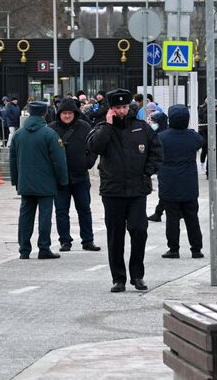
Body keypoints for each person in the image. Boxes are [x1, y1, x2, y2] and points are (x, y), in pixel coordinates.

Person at [88, 88, 162, 292]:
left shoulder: (141, 127)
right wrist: (109, 126)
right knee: (115, 235)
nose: (121, 111)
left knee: (139, 231)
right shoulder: (103, 128)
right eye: (117, 107)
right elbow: (95, 148)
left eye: (124, 107)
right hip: (113, 191)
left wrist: (146, 172)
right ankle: (118, 278)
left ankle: (137, 275)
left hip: (137, 190)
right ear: (111, 109)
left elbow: (156, 151)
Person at [9, 101, 68, 259]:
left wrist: (16, 181)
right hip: (46, 184)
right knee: (45, 216)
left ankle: (24, 250)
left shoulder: (18, 134)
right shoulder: (50, 134)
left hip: (25, 183)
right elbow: (59, 161)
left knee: (25, 216)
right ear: (44, 114)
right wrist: (63, 181)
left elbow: (13, 161)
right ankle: (43, 248)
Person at [49, 98, 99, 252]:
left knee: (84, 209)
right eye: (64, 113)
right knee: (61, 211)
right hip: (60, 179)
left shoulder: (84, 127)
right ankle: (65, 241)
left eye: (70, 113)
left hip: (80, 176)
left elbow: (93, 146)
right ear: (59, 114)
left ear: (75, 113)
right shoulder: (51, 129)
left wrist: (88, 162)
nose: (67, 115)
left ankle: (88, 240)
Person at [157, 105, 204, 259]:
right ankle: (196, 249)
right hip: (189, 184)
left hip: (169, 184)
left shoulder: (162, 137)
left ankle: (173, 248)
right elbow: (200, 142)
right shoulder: (193, 137)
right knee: (192, 217)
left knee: (172, 218)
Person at [198, 99, 217, 176]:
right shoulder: (208, 115)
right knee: (212, 156)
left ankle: (215, 171)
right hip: (211, 140)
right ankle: (210, 172)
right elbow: (205, 128)